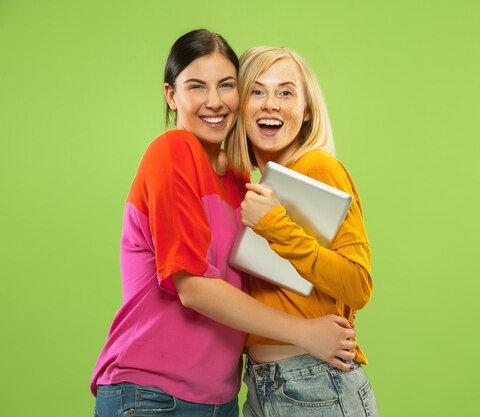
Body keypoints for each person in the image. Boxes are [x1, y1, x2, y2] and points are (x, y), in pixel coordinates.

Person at [91, 30, 357, 417]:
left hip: (219, 400)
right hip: (153, 394)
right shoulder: (171, 152)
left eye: (226, 85)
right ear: (171, 95)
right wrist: (305, 333)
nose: (214, 102)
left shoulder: (239, 181)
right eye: (196, 86)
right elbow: (194, 288)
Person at [226, 46, 379, 416]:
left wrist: (275, 225)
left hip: (315, 383)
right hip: (265, 383)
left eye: (285, 92)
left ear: (307, 110)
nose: (270, 105)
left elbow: (358, 286)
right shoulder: (253, 185)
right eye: (257, 92)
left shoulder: (318, 167)